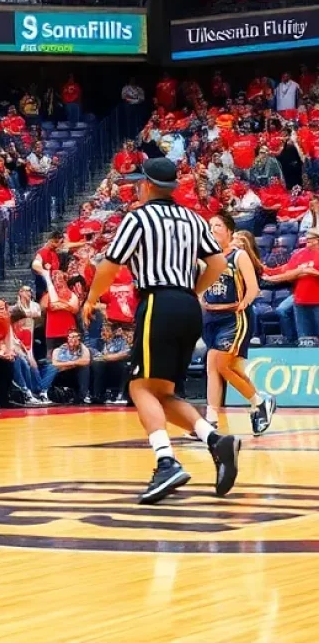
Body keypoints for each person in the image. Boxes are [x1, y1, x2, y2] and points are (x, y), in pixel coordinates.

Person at [82, 157, 240, 505]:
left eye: (139, 182)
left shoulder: (137, 218)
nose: (137, 187)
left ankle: (166, 461)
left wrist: (92, 298)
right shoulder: (193, 219)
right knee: (162, 392)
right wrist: (194, 291)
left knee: (138, 387)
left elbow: (110, 265)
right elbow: (216, 264)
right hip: (188, 306)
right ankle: (216, 441)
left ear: (149, 186)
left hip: (158, 303)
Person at [202, 212, 274, 435]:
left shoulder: (238, 255)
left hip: (235, 318)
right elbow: (201, 285)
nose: (212, 229)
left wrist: (243, 304)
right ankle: (212, 419)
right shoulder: (207, 257)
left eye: (217, 225)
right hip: (212, 317)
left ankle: (260, 403)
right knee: (214, 366)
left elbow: (253, 288)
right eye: (210, 225)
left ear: (229, 230)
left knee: (223, 364)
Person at [50, 329, 92, 404]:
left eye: (74, 337)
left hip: (75, 375)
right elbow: (55, 364)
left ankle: (82, 396)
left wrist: (81, 345)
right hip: (61, 375)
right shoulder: (59, 350)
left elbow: (86, 361)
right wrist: (74, 363)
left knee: (84, 368)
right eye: (70, 337)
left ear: (79, 339)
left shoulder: (83, 349)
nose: (72, 339)